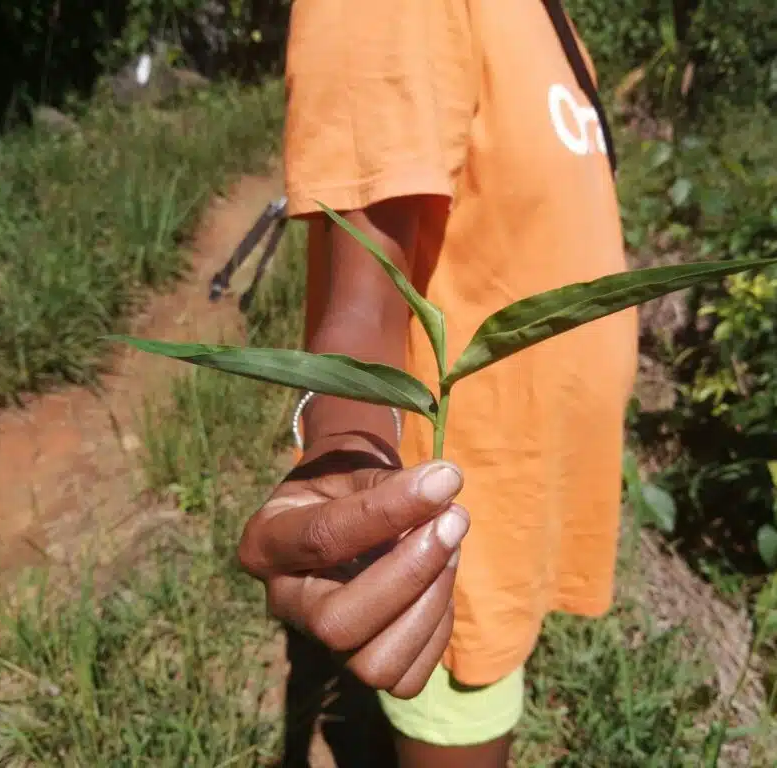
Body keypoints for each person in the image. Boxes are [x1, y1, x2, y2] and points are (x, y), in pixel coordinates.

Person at [236, 1, 638, 766]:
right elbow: (363, 309)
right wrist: (349, 455)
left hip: (530, 498)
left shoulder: (549, 17)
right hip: (456, 526)